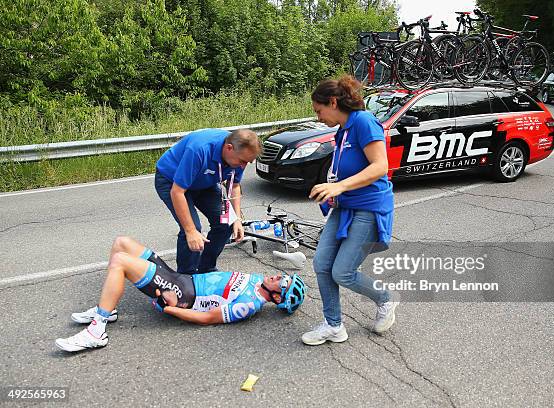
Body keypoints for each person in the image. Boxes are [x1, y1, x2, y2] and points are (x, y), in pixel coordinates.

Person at [55, 236, 306, 352]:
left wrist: (170, 309)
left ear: (276, 299)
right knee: (122, 242)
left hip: (181, 294)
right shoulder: (258, 281)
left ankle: (97, 330)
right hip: (180, 279)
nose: (278, 277)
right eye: (284, 276)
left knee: (121, 261)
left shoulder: (249, 304)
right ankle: (107, 310)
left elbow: (208, 318)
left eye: (282, 284)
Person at [301, 75, 397, 346]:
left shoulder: (364, 122)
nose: (318, 117)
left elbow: (380, 166)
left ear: (333, 102)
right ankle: (334, 326)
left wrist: (339, 186)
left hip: (368, 208)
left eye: (319, 111)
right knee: (322, 264)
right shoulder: (342, 130)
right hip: (344, 206)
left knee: (342, 272)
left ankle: (385, 299)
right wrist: (329, 188)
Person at [155, 128, 261, 275]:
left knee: (227, 223)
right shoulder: (199, 149)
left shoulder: (239, 157)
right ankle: (186, 278)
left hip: (204, 182)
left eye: (247, 163)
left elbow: (234, 186)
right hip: (172, 181)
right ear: (229, 148)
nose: (243, 166)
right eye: (242, 161)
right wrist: (190, 231)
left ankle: (206, 269)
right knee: (193, 229)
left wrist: (237, 219)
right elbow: (177, 192)